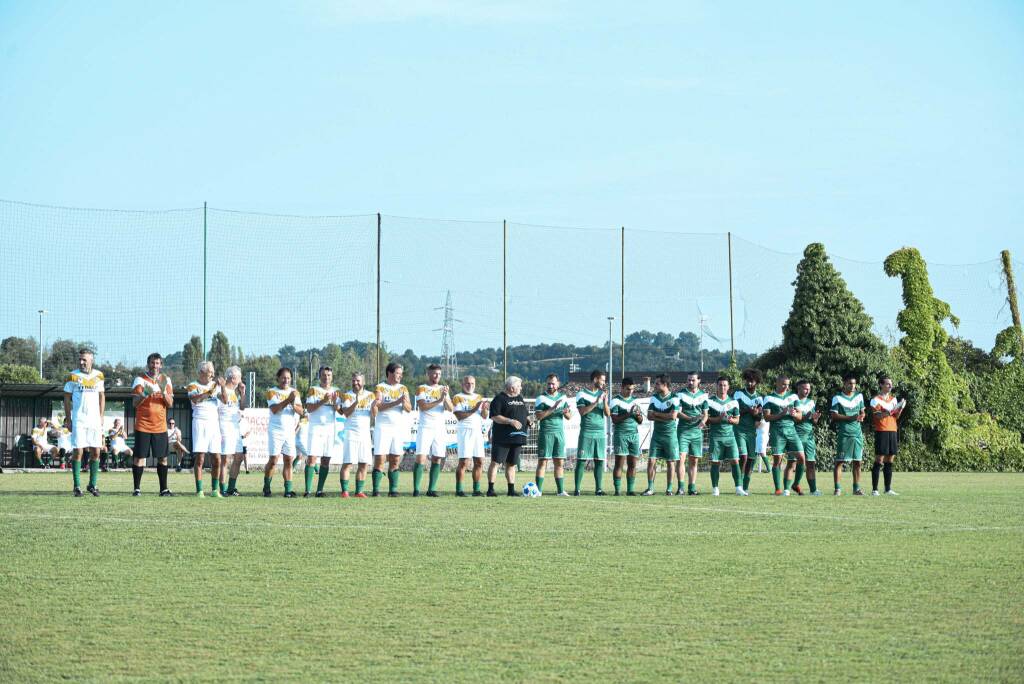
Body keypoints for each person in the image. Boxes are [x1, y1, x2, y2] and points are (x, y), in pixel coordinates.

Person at [62, 349, 105, 496]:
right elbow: (66, 398)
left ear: (91, 360)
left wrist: (101, 416)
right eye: (80, 359)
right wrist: (69, 419)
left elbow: (102, 396)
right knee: (78, 451)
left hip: (94, 420)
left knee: (96, 451)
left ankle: (92, 485)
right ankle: (77, 486)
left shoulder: (99, 375)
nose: (81, 362)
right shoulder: (72, 376)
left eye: (84, 360)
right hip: (79, 419)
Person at [131, 352, 175, 496]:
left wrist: (163, 392)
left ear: (161, 365)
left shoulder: (166, 380)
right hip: (143, 425)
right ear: (148, 364)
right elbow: (134, 403)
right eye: (152, 363)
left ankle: (163, 489)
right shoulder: (140, 379)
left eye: (157, 363)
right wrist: (145, 394)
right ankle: (137, 489)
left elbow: (170, 404)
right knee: (139, 457)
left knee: (163, 457)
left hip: (160, 427)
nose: (154, 366)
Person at [487, 375, 532, 497]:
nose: (521, 388)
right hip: (503, 437)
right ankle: (491, 489)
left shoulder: (519, 398)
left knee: (511, 464)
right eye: (519, 386)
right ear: (512, 388)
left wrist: (529, 421)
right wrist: (510, 421)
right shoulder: (499, 399)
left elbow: (525, 413)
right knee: (496, 462)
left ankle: (511, 490)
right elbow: (495, 416)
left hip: (518, 437)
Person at [414, 364, 454, 497]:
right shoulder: (422, 389)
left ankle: (431, 489)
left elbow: (450, 408)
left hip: (439, 428)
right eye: (434, 373)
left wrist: (445, 397)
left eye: (439, 374)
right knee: (421, 458)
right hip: (425, 427)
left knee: (437, 458)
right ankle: (416, 490)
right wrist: (439, 400)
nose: (437, 376)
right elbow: (423, 407)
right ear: (428, 374)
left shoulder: (443, 389)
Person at [760, 375, 804, 496]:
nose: (786, 386)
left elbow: (800, 417)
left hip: (791, 431)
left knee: (801, 458)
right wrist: (781, 414)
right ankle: (778, 489)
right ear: (777, 383)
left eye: (788, 384)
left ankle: (795, 484)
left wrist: (795, 414)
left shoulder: (793, 397)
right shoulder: (769, 398)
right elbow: (767, 417)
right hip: (777, 432)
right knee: (777, 461)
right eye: (784, 384)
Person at [373, 362, 412, 497]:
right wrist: (397, 401)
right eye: (397, 373)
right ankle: (376, 490)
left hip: (397, 429)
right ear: (389, 373)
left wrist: (404, 402)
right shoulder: (380, 387)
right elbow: (378, 406)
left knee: (395, 458)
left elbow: (408, 408)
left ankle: (393, 490)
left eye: (401, 374)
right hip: (383, 428)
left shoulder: (403, 388)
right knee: (380, 458)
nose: (400, 376)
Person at [264, 367, 304, 497]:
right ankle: (266, 486)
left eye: (288, 378)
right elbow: (274, 409)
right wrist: (288, 400)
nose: (286, 380)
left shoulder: (295, 393)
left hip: (289, 431)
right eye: (283, 378)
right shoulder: (271, 392)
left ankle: (288, 490)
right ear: (278, 378)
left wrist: (293, 403)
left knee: (288, 459)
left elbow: (301, 411)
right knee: (274, 460)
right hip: (275, 430)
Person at [187, 361, 223, 498]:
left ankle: (215, 490)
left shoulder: (215, 385)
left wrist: (223, 387)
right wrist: (209, 393)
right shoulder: (192, 385)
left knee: (217, 458)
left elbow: (224, 400)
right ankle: (199, 490)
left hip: (214, 424)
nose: (213, 374)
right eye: (210, 372)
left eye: (213, 372)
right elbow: (195, 400)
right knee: (200, 458)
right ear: (202, 372)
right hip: (199, 422)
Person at [574, 370, 611, 496]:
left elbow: (608, 414)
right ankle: (577, 489)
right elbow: (582, 412)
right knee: (581, 460)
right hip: (587, 431)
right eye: (602, 380)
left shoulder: (603, 394)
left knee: (599, 460)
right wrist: (596, 402)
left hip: (600, 432)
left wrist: (604, 401)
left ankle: (598, 489)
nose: (604, 383)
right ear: (595, 380)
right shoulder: (581, 394)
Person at [534, 373, 571, 496]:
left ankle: (560, 491)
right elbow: (538, 416)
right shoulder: (541, 398)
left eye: (553, 383)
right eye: (549, 383)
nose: (550, 386)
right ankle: (538, 491)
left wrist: (566, 412)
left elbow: (569, 417)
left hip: (559, 433)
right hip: (546, 433)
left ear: (558, 384)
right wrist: (553, 408)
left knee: (559, 462)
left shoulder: (563, 397)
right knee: (543, 462)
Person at [306, 366, 340, 498]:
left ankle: (319, 490)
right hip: (316, 427)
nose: (327, 377)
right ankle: (308, 491)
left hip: (330, 428)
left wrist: (336, 405)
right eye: (324, 375)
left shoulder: (336, 391)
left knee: (326, 460)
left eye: (329, 375)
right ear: (319, 376)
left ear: (332, 377)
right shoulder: (313, 390)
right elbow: (309, 408)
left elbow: (340, 410)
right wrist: (324, 401)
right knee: (312, 458)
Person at [705, 377, 743, 496]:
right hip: (716, 436)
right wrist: (718, 419)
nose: (722, 387)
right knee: (715, 462)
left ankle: (738, 488)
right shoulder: (710, 401)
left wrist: (731, 420)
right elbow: (706, 419)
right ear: (716, 386)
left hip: (730, 437)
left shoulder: (733, 402)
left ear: (728, 387)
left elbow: (737, 420)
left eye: (725, 385)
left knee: (735, 461)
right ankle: (715, 488)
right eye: (720, 385)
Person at [452, 375, 489, 497]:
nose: (470, 386)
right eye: (467, 383)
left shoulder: (478, 397)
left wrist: (484, 409)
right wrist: (475, 409)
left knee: (479, 461)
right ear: (462, 384)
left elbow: (483, 416)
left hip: (477, 431)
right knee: (464, 462)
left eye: (472, 384)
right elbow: (459, 416)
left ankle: (476, 490)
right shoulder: (458, 397)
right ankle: (459, 490)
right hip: (465, 431)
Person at [339, 372, 375, 498]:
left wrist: (375, 406)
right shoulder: (347, 395)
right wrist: (356, 402)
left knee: (364, 463)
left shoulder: (371, 395)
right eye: (354, 380)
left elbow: (374, 414)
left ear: (363, 382)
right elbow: (346, 413)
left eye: (358, 381)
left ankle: (359, 491)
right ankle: (345, 491)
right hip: (351, 433)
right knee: (348, 463)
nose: (356, 383)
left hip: (365, 433)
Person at [643, 374, 680, 496]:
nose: (655, 385)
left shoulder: (675, 398)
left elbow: (673, 416)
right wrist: (666, 416)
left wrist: (657, 414)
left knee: (670, 462)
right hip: (657, 434)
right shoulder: (654, 398)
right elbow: (649, 416)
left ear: (665, 385)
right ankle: (650, 488)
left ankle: (669, 489)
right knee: (651, 461)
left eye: (657, 383)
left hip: (670, 435)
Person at [831, 374, 867, 496]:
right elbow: (834, 416)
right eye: (850, 383)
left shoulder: (859, 396)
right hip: (844, 433)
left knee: (857, 462)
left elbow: (863, 412)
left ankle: (856, 489)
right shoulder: (837, 398)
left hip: (857, 434)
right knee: (840, 461)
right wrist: (850, 417)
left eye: (854, 383)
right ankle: (837, 489)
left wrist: (862, 416)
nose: (852, 386)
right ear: (844, 384)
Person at [870, 376, 905, 496]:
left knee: (890, 459)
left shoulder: (893, 399)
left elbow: (896, 417)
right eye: (887, 384)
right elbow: (878, 416)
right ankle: (875, 489)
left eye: (891, 384)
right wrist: (890, 411)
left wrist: (899, 409)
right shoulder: (875, 400)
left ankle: (888, 488)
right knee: (879, 460)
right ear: (881, 385)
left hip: (893, 430)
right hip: (882, 431)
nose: (890, 386)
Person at [675, 371, 709, 495]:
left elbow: (705, 415)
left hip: (696, 432)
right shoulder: (680, 394)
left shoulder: (704, 396)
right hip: (683, 430)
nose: (690, 382)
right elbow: (677, 413)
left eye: (693, 380)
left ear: (698, 381)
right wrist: (690, 419)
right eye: (689, 380)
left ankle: (692, 487)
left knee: (694, 460)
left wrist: (703, 422)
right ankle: (681, 487)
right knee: (681, 459)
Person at [610, 377, 643, 496]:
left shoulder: (635, 401)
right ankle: (617, 491)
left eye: (632, 389)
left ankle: (630, 490)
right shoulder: (615, 401)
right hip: (621, 435)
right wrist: (629, 414)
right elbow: (614, 419)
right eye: (628, 389)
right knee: (619, 464)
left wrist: (638, 415)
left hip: (634, 435)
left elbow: (640, 421)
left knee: (633, 464)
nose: (630, 391)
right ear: (622, 388)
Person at [733, 368, 764, 493]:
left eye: (752, 381)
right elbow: (734, 410)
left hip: (752, 432)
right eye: (747, 381)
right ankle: (738, 486)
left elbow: (759, 417)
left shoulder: (759, 398)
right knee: (743, 457)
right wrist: (748, 410)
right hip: (739, 430)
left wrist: (757, 414)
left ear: (757, 382)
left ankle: (745, 486)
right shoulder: (738, 394)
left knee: (752, 458)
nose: (749, 383)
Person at [218, 365, 247, 496]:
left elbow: (243, 407)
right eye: (239, 377)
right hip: (225, 427)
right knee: (225, 459)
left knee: (239, 457)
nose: (241, 380)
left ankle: (231, 487)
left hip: (235, 428)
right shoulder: (221, 390)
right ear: (233, 378)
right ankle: (222, 488)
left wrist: (243, 393)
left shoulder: (235, 393)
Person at [790, 380, 821, 495]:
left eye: (808, 388)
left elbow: (813, 421)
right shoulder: (792, 400)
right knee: (792, 463)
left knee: (810, 463)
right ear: (798, 388)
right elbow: (794, 419)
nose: (807, 390)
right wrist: (807, 416)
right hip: (795, 435)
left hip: (809, 436)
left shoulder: (811, 402)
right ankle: (787, 489)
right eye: (804, 388)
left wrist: (815, 418)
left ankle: (813, 490)